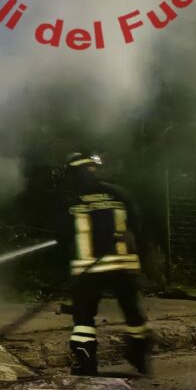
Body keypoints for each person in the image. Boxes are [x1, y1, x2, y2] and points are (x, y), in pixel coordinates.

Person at [58, 152, 151, 376]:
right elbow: (138, 227)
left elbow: (62, 237)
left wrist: (65, 270)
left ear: (72, 174)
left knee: (83, 318)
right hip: (124, 265)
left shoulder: (72, 201)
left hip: (88, 269)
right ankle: (139, 354)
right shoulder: (119, 194)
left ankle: (86, 362)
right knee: (132, 312)